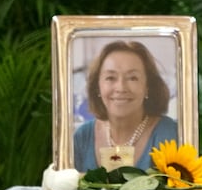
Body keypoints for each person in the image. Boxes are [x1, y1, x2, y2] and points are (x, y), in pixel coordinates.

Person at [73, 40, 178, 172]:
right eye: (111, 78)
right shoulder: (82, 137)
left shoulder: (169, 133)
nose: (121, 88)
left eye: (132, 78)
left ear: (147, 87)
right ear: (97, 87)